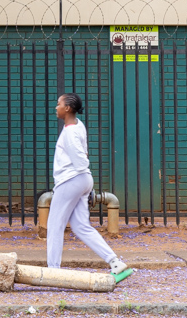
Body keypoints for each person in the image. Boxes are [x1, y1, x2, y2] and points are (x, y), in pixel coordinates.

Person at [47, 93, 132, 280]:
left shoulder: (69, 132)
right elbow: (84, 155)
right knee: (81, 226)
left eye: (58, 104)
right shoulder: (79, 125)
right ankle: (115, 262)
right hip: (83, 180)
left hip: (71, 180)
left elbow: (79, 159)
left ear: (67, 108)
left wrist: (80, 176)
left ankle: (53, 270)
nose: (56, 107)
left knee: (54, 225)